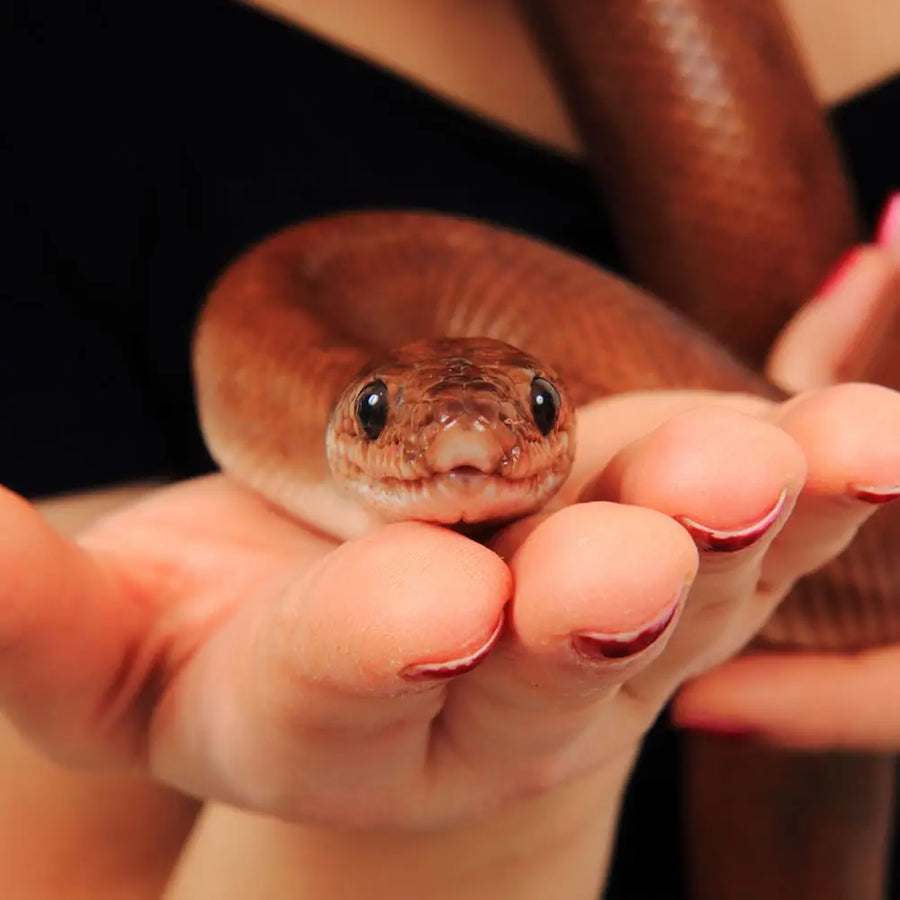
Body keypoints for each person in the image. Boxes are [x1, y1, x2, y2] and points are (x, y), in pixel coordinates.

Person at [3, 1, 899, 898]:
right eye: (376, 414)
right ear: (340, 422)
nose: (467, 444)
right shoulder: (66, 97)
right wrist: (412, 810)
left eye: (536, 411)